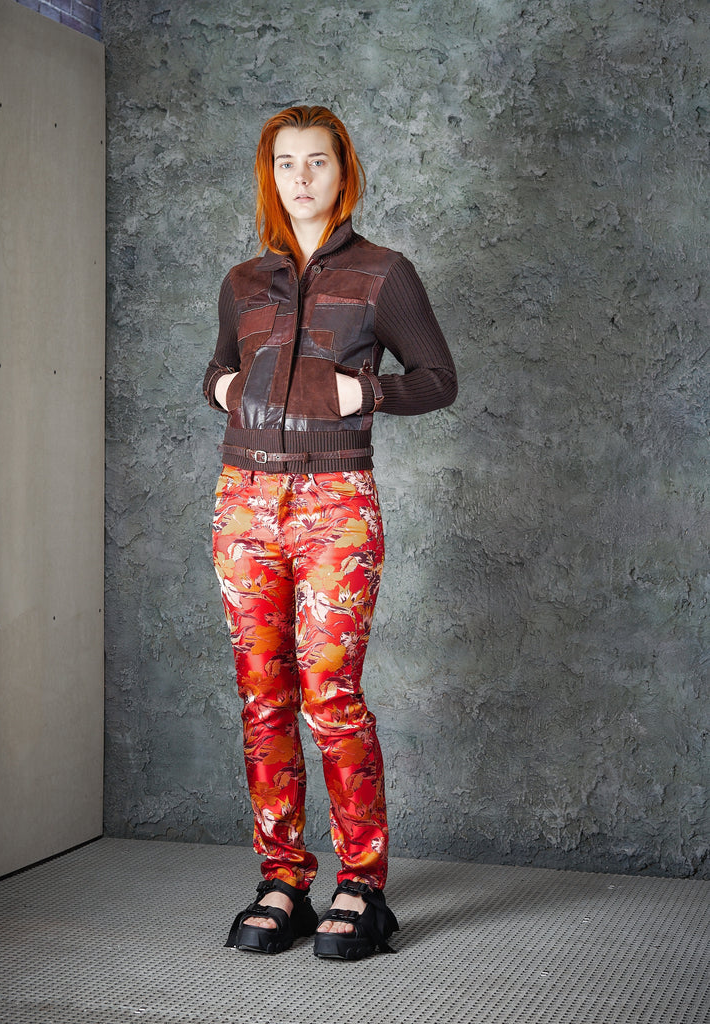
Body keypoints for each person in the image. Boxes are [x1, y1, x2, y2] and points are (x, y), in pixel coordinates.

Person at [203, 105, 457, 960]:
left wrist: (366, 393)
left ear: (342, 172)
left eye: (317, 160)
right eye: (286, 163)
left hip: (335, 503)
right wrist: (222, 390)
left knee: (329, 695)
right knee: (261, 696)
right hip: (243, 502)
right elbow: (218, 367)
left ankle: (362, 886)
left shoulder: (384, 273)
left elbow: (438, 379)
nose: (301, 176)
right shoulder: (244, 280)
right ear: (269, 176)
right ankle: (282, 880)